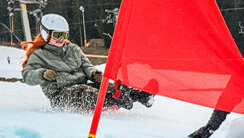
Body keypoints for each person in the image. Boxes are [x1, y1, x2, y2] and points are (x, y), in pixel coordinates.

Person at [21, 13, 154, 111]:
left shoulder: (73, 49)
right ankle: (115, 99)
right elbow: (27, 76)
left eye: (64, 35)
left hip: (84, 83)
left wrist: (93, 74)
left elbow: (86, 65)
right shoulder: (39, 54)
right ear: (45, 33)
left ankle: (140, 95)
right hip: (60, 95)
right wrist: (42, 74)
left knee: (104, 85)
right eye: (57, 35)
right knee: (83, 91)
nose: (61, 39)